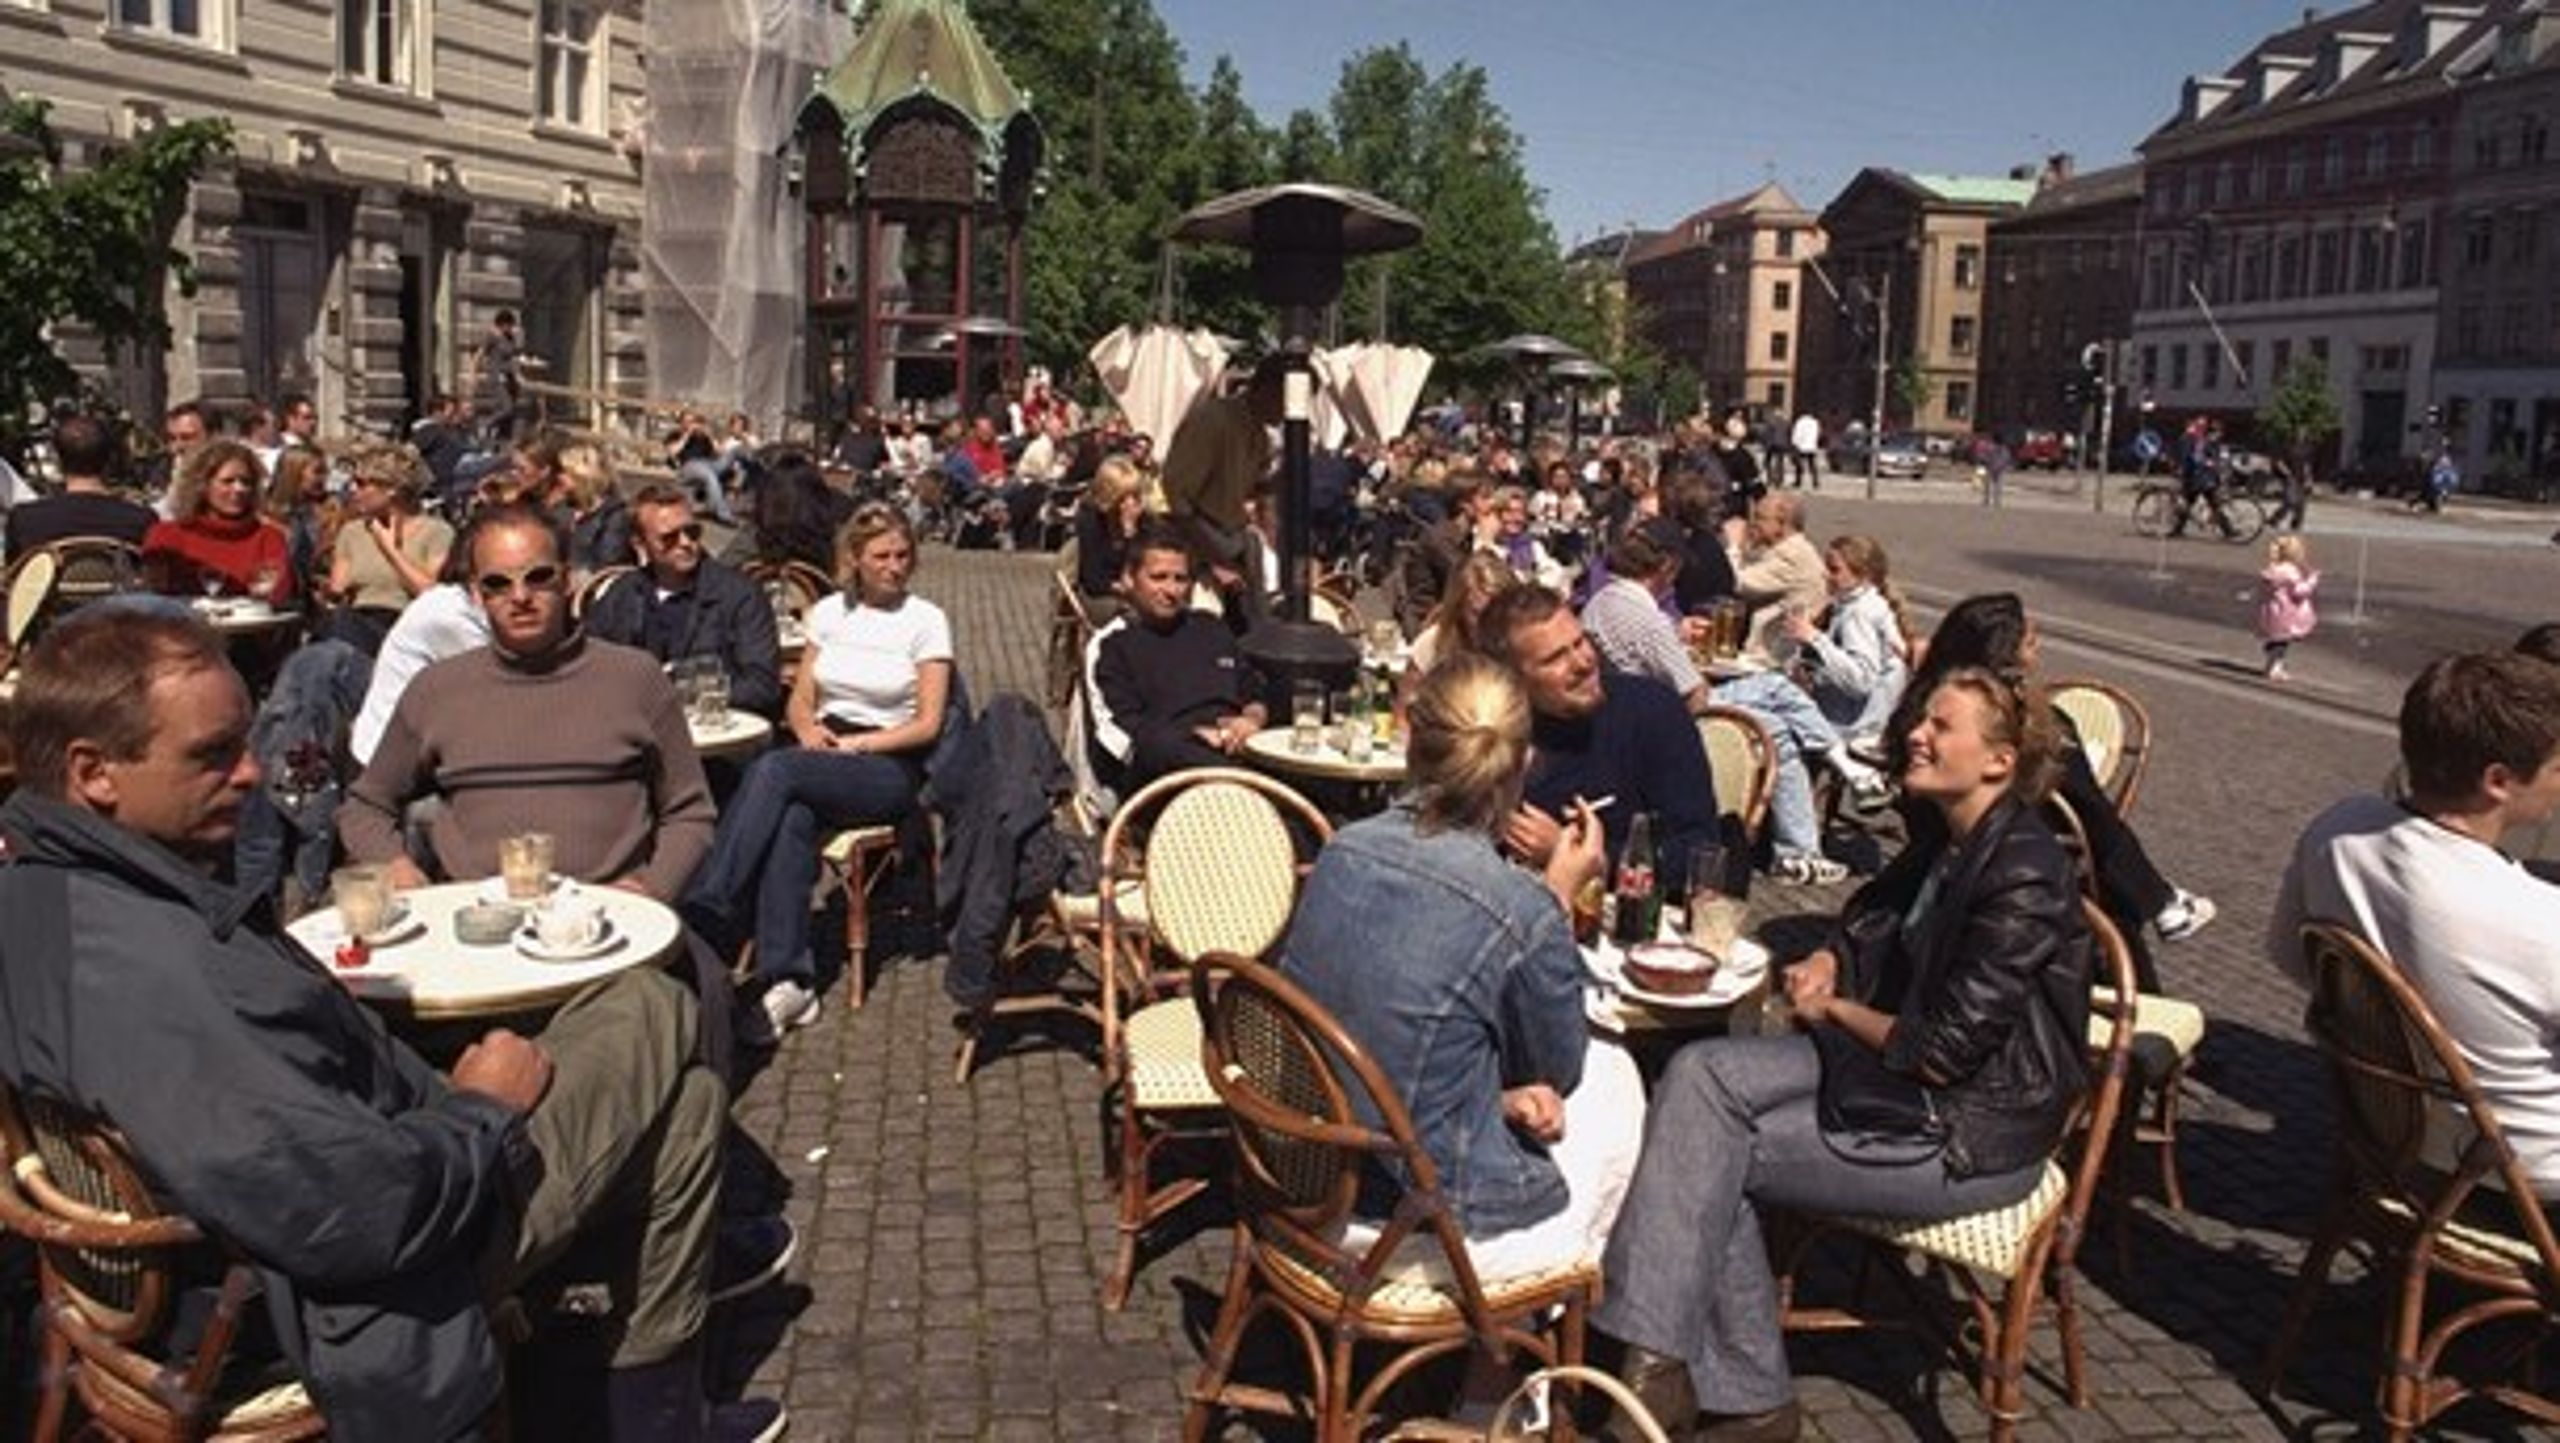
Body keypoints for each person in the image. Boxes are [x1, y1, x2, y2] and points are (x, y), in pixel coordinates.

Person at [0, 607, 786, 1442]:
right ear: (94, 773)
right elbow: (359, 1212)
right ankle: (642, 1413)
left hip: (235, 1245)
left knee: (690, 1106)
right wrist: (478, 1108)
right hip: (338, 1295)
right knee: (654, 1002)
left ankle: (650, 1415)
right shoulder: (162, 976)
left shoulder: (41, 897)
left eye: (244, 742)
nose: (250, 772)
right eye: (212, 754)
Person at [1598, 665, 2094, 1439]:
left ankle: (1678, 1374)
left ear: (1999, 760)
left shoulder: (2024, 869)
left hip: (1972, 1127)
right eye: (1921, 719)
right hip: (1890, 1077)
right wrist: (1834, 954)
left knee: (1709, 1148)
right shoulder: (1947, 838)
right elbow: (1873, 913)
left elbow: (1942, 1052)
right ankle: (1704, 1380)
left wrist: (1833, 1007)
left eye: (1942, 725)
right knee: (1698, 1073)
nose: (1917, 735)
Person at [1282, 655, 1644, 1404]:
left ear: (1411, 740)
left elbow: (1377, 1016)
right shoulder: (1515, 905)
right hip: (1411, 1215)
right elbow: (1558, 1065)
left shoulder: (1343, 850)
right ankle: (1496, 1381)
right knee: (1616, 1084)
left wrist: (1503, 1095)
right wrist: (1556, 892)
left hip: (1302, 1173)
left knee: (1495, 1068)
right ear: (1526, 765)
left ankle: (1504, 1355)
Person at [2271, 651, 2560, 1192]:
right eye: (2557, 768)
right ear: (2498, 780)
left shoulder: (2338, 831)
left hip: (2391, 1142)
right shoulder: (2536, 919)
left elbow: (2291, 955)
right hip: (2519, 1183)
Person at [340, 503, 713, 902]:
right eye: (497, 584)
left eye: (538, 577)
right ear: (476, 595)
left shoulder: (634, 679)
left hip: (608, 924)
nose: (520, 597)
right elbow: (366, 806)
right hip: (479, 926)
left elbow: (689, 811)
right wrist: (396, 866)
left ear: (567, 580)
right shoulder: (438, 690)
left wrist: (652, 888)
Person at [685, 503, 951, 1044]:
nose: (894, 567)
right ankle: (790, 980)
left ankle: (710, 905)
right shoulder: (829, 613)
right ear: (854, 559)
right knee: (792, 819)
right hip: (822, 750)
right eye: (881, 557)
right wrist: (808, 730)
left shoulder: (925, 620)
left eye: (903, 556)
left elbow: (929, 723)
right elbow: (800, 701)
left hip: (888, 763)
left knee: (774, 770)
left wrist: (861, 743)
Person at [1893, 593, 2215, 991]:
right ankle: (2152, 936)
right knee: (2101, 847)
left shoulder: (1920, 703)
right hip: (2022, 855)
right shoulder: (2028, 721)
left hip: (1939, 852)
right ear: (2005, 655)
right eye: (2029, 642)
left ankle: (2159, 902)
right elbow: (2088, 812)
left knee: (2096, 835)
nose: (2038, 648)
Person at [1582, 528, 1885, 883]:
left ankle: (1799, 849)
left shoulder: (1603, 602)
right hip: (1676, 717)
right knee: (1776, 703)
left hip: (1640, 708)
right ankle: (1837, 778)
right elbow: (1694, 693)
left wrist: (1677, 635)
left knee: (1777, 720)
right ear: (1665, 567)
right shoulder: (1646, 619)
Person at [1478, 581, 1719, 885]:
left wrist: (1579, 858)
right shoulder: (1493, 732)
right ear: (1513, 679)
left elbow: (1699, 849)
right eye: (1555, 659)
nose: (1582, 662)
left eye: (1580, 642)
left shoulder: (1651, 712)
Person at [1087, 526, 1267, 793]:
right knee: (1157, 745)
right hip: (1170, 778)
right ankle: (1247, 785)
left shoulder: (1211, 628)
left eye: (1180, 579)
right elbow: (1125, 733)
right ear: (1129, 578)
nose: (1171, 590)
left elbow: (1252, 688)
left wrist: (1252, 719)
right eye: (1158, 577)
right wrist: (1199, 736)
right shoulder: (1113, 645)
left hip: (1238, 749)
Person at [586, 483, 783, 723]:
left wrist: (687, 691)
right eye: (669, 537)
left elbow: (762, 686)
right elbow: (589, 662)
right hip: (637, 731)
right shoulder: (622, 594)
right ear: (639, 543)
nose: (685, 543)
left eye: (692, 532)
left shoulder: (739, 595)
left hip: (717, 736)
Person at [1159, 358, 1283, 620]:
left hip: (1233, 541)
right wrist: (1213, 558)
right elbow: (1178, 495)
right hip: (1199, 546)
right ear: (1267, 389)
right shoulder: (1213, 421)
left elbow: (1258, 490)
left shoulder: (1259, 435)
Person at [321, 441, 454, 656]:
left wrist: (390, 549)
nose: (353, 490)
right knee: (332, 643)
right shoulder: (353, 532)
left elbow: (432, 595)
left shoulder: (437, 532)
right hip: (357, 624)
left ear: (391, 488)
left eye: (362, 484)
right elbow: (337, 594)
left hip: (408, 625)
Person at [1783, 534, 1910, 745]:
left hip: (1854, 729)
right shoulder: (1849, 605)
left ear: (1863, 576)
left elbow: (1861, 680)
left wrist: (1814, 638)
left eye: (1834, 570)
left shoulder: (1860, 613)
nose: (1826, 575)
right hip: (1852, 721)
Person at [142, 440, 295, 603]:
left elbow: (280, 594)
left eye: (246, 482)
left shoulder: (268, 537)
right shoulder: (166, 535)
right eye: (228, 481)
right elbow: (153, 596)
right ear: (202, 485)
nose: (239, 489)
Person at [4, 412, 152, 559]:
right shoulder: (142, 521)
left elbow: (11, 577)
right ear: (109, 461)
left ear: (58, 462)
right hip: (122, 583)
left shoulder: (25, 521)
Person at [1727, 492, 1827, 665]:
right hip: (1773, 653)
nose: (1752, 524)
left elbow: (1735, 581)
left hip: (1772, 659)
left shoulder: (1792, 556)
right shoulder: (1786, 550)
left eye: (1760, 518)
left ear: (1782, 524)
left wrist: (1733, 545)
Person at [1071, 453, 1146, 615]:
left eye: (1135, 495)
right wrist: (1127, 534)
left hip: (1135, 590)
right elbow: (1094, 580)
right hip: (1101, 595)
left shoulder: (1142, 518)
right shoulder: (1091, 520)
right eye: (1124, 497)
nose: (1131, 503)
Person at [262, 445, 337, 600]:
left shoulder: (323, 510)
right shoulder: (263, 511)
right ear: (294, 473)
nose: (324, 478)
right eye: (317, 472)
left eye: (325, 471)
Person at [559, 442, 633, 577]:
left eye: (565, 472)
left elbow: (608, 564)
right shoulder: (565, 510)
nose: (559, 478)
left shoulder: (614, 516)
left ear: (581, 475)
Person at [2257, 533, 2320, 681]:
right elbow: (2299, 592)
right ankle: (2274, 669)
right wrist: (2312, 581)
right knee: (2283, 642)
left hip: (2272, 610)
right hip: (2287, 612)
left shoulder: (2272, 569)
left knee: (2277, 639)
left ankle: (2271, 662)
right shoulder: (2290, 572)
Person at [472, 308, 528, 443]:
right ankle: (485, 424)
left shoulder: (510, 337)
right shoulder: (491, 336)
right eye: (509, 325)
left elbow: (513, 357)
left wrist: (519, 372)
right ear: (502, 324)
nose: (511, 328)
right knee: (507, 407)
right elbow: (479, 355)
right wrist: (474, 373)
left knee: (508, 409)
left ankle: (496, 439)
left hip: (509, 377)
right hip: (497, 377)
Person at [1789, 410, 1823, 490]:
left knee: (1799, 465)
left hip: (1802, 445)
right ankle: (1815, 482)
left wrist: (1794, 443)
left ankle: (1798, 481)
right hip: (1812, 445)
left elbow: (1797, 433)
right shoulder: (1815, 422)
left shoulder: (1800, 422)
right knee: (1812, 465)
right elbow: (1818, 433)